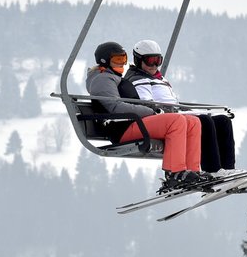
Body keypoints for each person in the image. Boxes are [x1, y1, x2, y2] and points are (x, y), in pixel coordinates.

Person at [85, 41, 206, 191]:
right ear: (104, 61)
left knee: (193, 122)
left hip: (133, 122)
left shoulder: (113, 77)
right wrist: (150, 111)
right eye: (117, 60)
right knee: (177, 121)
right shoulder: (102, 79)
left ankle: (192, 171)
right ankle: (175, 173)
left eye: (123, 59)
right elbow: (115, 107)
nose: (121, 63)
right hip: (122, 128)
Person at [124, 39, 237, 175]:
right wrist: (176, 111)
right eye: (150, 61)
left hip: (176, 114)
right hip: (165, 120)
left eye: (158, 61)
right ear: (138, 60)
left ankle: (228, 169)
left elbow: (174, 102)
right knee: (205, 122)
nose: (154, 65)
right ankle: (213, 170)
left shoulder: (161, 79)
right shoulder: (138, 79)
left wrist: (190, 111)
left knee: (223, 121)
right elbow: (149, 105)